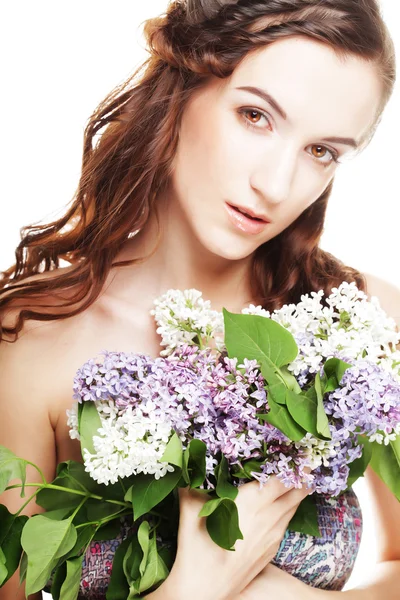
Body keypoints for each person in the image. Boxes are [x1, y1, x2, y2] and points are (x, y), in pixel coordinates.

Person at [1, 0, 399, 598]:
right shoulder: (34, 341)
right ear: (182, 86)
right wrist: (192, 588)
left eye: (322, 151)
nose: (276, 184)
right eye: (255, 116)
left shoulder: (363, 322)